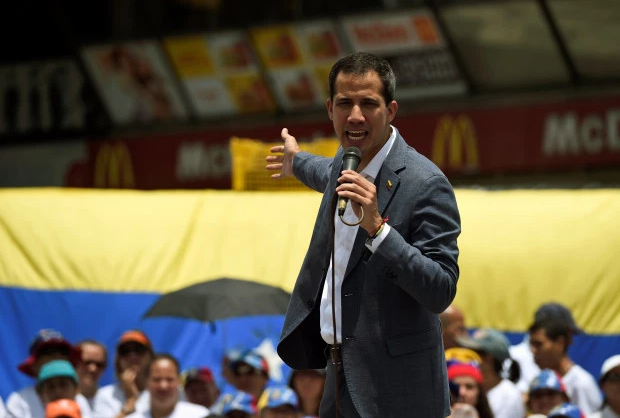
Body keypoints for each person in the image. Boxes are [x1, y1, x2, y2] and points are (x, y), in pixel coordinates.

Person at [265, 52, 460, 417]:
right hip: (339, 377)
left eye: (368, 103)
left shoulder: (426, 183)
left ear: (391, 110)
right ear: (329, 109)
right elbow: (324, 171)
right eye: (345, 103)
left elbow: (441, 289)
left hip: (399, 392)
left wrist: (378, 229)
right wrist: (295, 161)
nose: (355, 115)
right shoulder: (345, 161)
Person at [6, 329, 92, 418]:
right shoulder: (20, 400)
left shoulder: (80, 400)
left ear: (76, 389)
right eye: (47, 352)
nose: (56, 356)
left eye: (62, 352)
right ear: (34, 365)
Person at [529, 319, 601, 414]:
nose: (533, 350)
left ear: (560, 343)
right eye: (538, 395)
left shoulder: (581, 383)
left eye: (539, 344)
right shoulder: (539, 378)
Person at [456, 329, 524, 418]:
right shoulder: (467, 389)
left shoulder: (509, 396)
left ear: (488, 358)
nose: (467, 357)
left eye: (472, 353)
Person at [93, 330, 154, 418]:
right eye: (125, 351)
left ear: (150, 356)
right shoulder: (105, 395)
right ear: (118, 360)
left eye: (139, 349)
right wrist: (130, 401)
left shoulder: (161, 392)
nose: (133, 355)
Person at [124, 354, 208, 418]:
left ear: (178, 381)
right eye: (157, 379)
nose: (163, 386)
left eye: (169, 379)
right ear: (147, 383)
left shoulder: (200, 415)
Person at [76, 340, 108, 409]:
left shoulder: (112, 401)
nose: (93, 369)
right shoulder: (60, 400)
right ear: (74, 363)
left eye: (99, 365)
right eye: (87, 362)